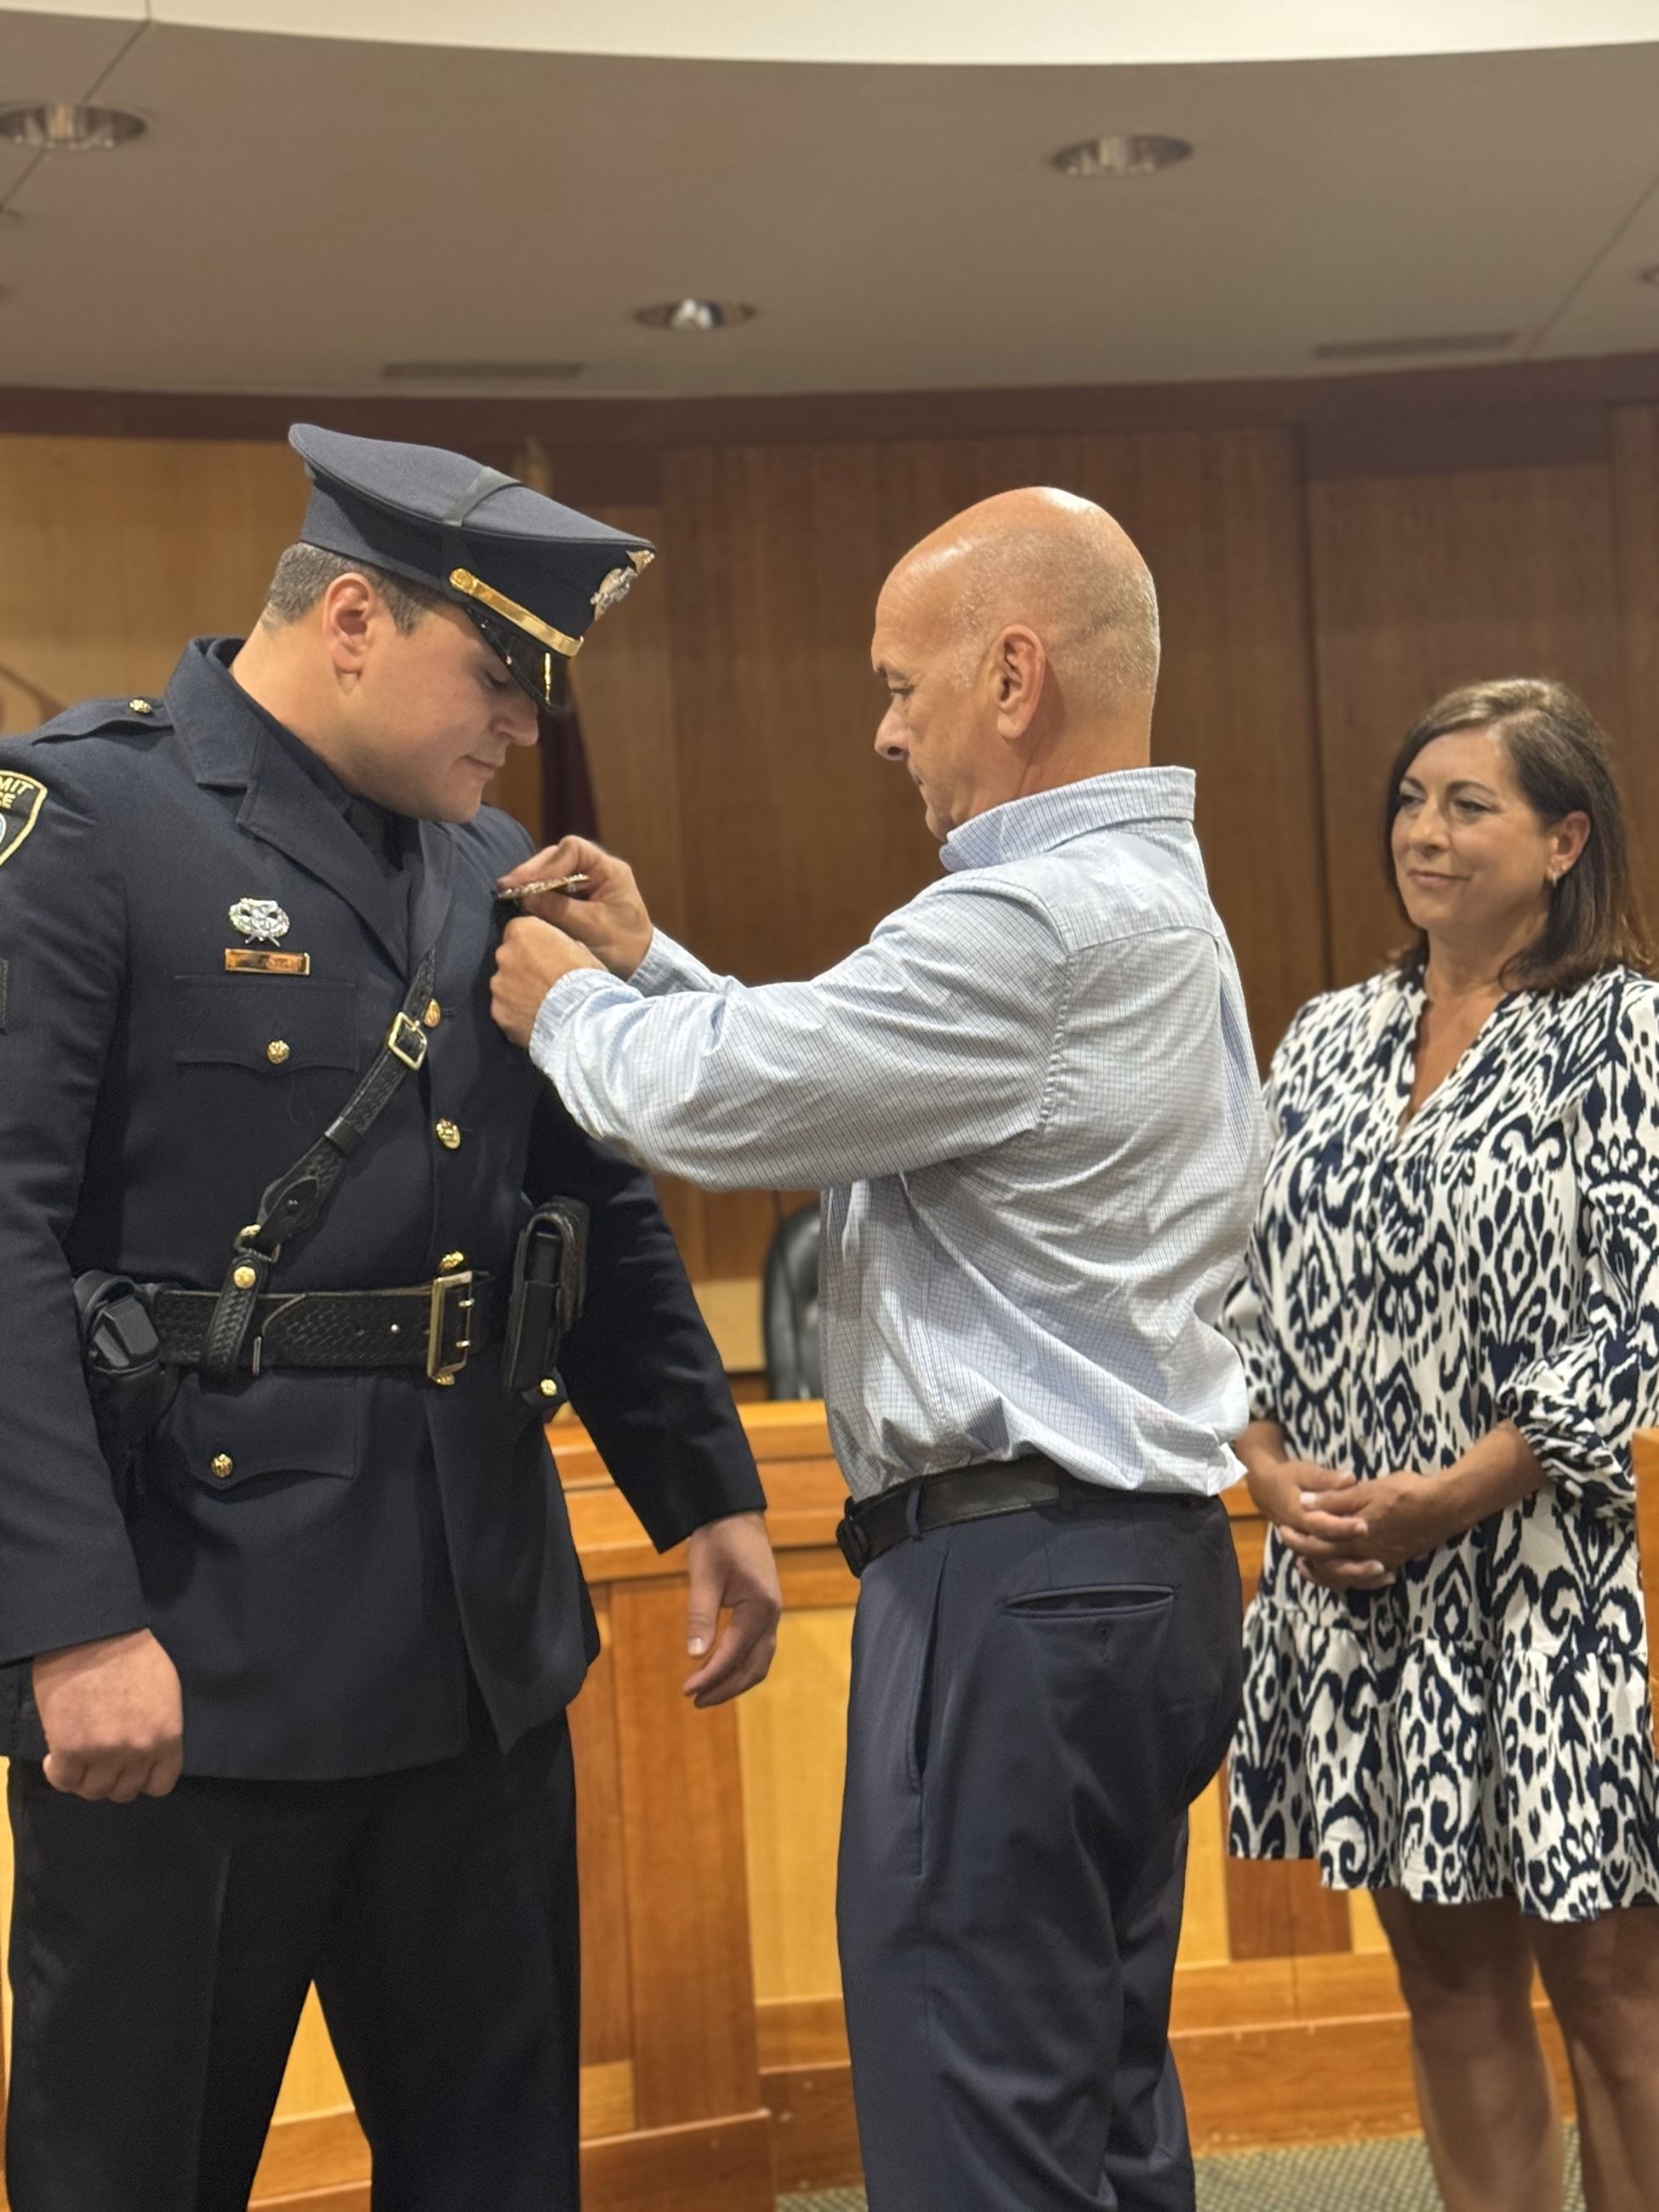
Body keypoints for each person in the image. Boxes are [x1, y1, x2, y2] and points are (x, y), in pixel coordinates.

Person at [0, 424, 781, 2212]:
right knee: (136, 2171)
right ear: (352, 615)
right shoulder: (87, 824)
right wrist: (64, 1624)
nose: (519, 723)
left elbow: (574, 1194)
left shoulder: (482, 858)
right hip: (191, 1659)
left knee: (498, 2173)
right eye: (495, 674)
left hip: (473, 1649)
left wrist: (706, 1487)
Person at [489, 487, 1266, 2211]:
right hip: (1122, 1572)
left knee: (978, 2133)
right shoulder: (1136, 902)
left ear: (1012, 674)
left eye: (904, 683)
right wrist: (656, 956)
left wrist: (570, 1004)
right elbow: (866, 1081)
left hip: (1013, 1591)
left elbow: (729, 1101)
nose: (884, 727)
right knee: (1093, 2109)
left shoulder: (1036, 920)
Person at [1221, 679, 1659, 2212]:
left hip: (1549, 1580)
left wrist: (1461, 1490)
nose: (1423, 831)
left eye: (1467, 804)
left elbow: (1634, 1314)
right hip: (1360, 1585)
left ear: (1563, 840)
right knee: (1447, 1984)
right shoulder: (1327, 1032)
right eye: (1410, 799)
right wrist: (1271, 1473)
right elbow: (1237, 1292)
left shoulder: (1625, 1034)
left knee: (1613, 1993)